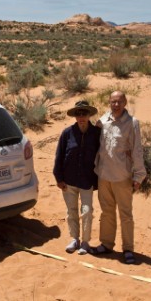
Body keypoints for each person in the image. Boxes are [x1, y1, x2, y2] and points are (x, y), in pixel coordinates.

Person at [91, 90, 146, 264]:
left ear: (125, 103)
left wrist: (138, 176)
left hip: (122, 176)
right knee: (107, 212)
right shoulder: (103, 121)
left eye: (119, 102)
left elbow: (137, 150)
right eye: (113, 102)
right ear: (109, 102)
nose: (116, 105)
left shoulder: (132, 123)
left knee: (126, 214)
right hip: (104, 175)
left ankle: (128, 249)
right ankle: (106, 244)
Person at [53, 100, 101, 255]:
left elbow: (103, 156)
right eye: (78, 114)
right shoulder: (67, 133)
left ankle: (85, 242)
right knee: (71, 211)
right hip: (69, 180)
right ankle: (74, 239)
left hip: (87, 180)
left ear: (89, 115)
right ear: (75, 116)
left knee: (87, 211)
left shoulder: (96, 133)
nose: (81, 117)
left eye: (84, 113)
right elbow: (59, 155)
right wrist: (58, 178)